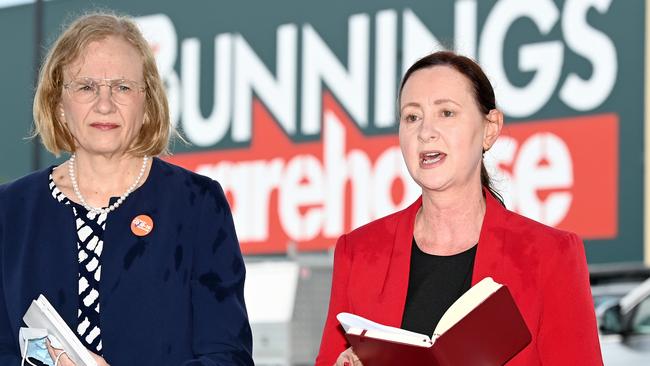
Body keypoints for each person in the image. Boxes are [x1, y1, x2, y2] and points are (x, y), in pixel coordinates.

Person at [315, 51, 603, 365]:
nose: (425, 132)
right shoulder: (357, 252)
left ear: (490, 128)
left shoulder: (551, 255)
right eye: (412, 117)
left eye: (446, 113)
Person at [0, 12, 253, 366]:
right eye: (86, 86)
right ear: (58, 106)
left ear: (147, 105)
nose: (105, 104)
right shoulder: (9, 211)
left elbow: (229, 357)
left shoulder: (196, 204)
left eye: (122, 87)